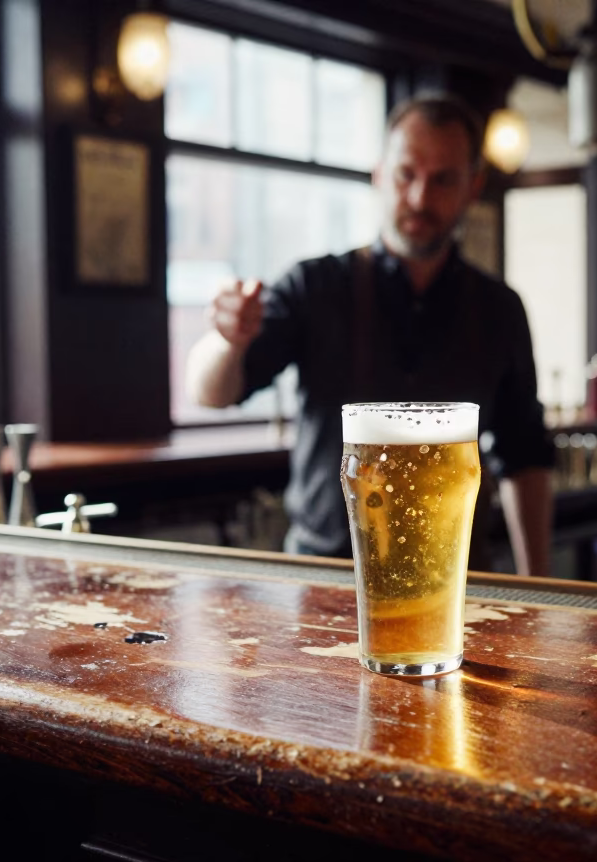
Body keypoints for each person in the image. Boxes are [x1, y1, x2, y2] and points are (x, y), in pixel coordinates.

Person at [186, 94, 554, 575]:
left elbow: (525, 455)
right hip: (324, 576)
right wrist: (228, 339)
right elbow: (212, 392)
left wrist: (540, 589)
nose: (420, 198)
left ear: (473, 187)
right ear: (380, 175)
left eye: (443, 179)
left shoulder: (499, 308)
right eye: (406, 174)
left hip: (450, 581)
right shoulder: (314, 285)